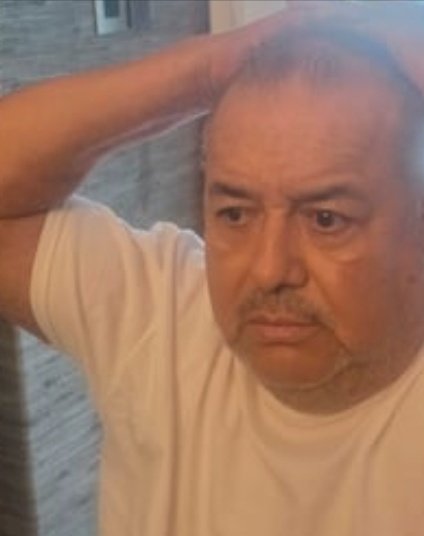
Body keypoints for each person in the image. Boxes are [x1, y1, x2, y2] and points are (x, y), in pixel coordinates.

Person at [1, 1, 424, 534]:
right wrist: (206, 72)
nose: (269, 270)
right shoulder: (160, 318)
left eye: (326, 219)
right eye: (235, 214)